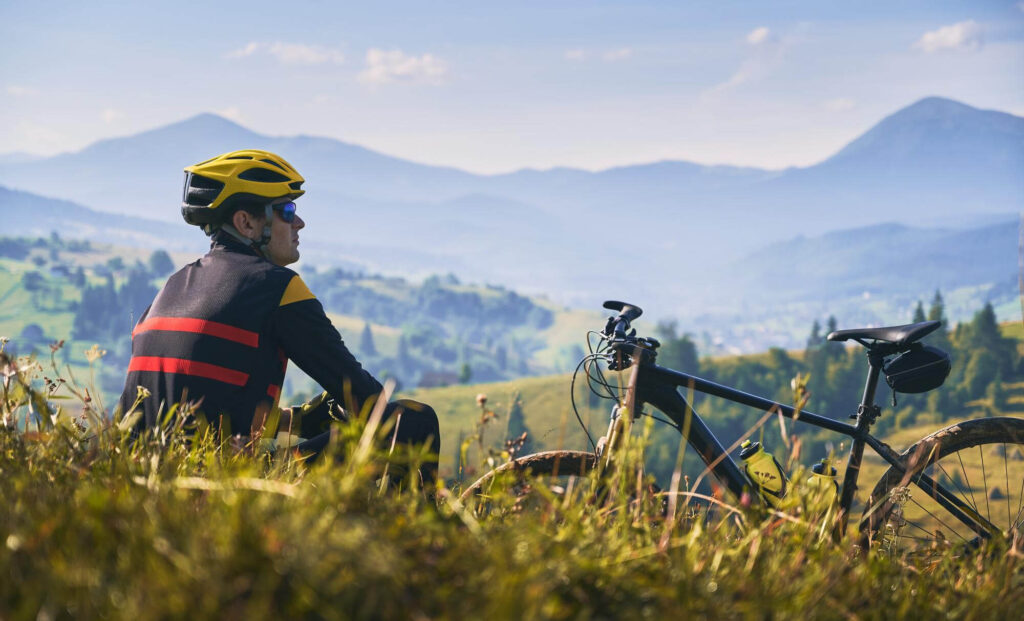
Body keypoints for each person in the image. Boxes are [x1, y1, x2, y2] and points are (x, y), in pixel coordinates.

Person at [118, 149, 440, 483]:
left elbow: (203, 408)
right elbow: (368, 402)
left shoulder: (172, 287)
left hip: (148, 482)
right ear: (247, 222)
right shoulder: (275, 287)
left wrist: (298, 420)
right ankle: (414, 534)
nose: (299, 222)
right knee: (412, 422)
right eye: (287, 210)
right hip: (229, 485)